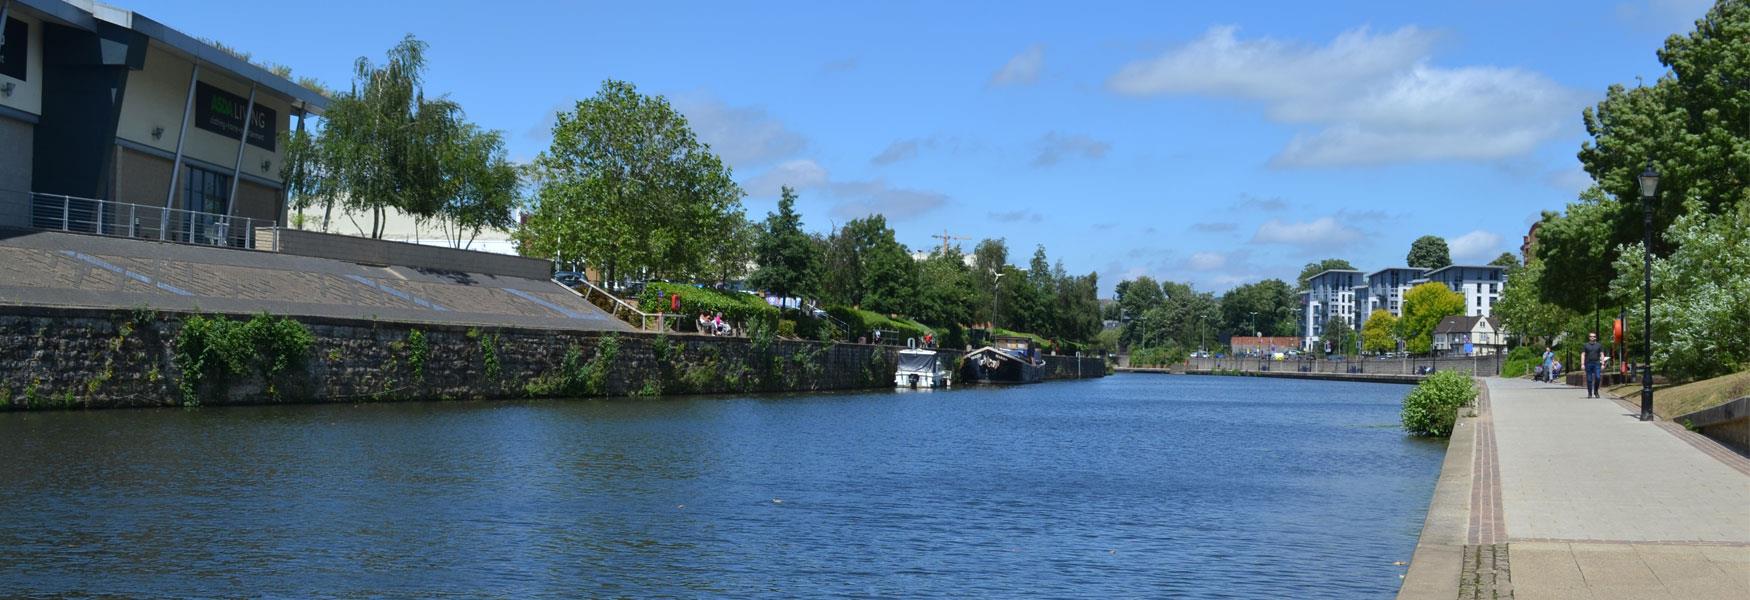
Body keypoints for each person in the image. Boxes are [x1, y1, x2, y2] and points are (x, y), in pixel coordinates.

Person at [1582, 332, 1608, 398]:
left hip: (1597, 363)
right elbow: (1583, 354)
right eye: (1591, 336)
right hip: (1588, 363)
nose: (1592, 337)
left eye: (1593, 336)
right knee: (1589, 379)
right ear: (1589, 337)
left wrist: (1602, 363)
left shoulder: (1599, 345)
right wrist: (1582, 364)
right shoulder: (1585, 345)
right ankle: (1590, 393)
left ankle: (1596, 391)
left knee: (1598, 377)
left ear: (1595, 337)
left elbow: (1602, 354)